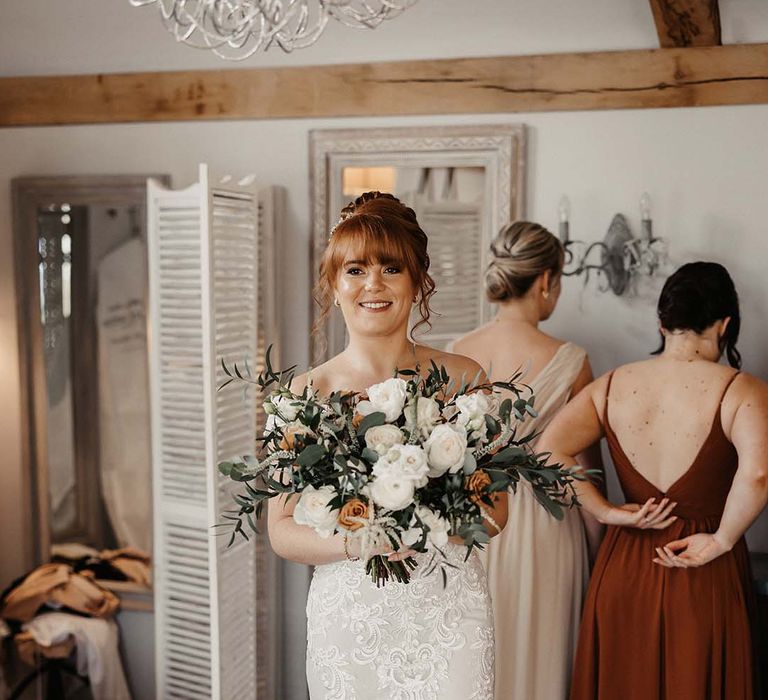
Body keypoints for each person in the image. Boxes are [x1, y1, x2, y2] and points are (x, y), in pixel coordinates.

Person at [267, 191, 507, 700]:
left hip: (450, 612)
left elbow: (495, 512)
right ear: (334, 285)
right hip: (351, 618)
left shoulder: (465, 380)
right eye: (355, 270)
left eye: (391, 268)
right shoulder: (304, 396)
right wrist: (359, 543)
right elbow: (282, 532)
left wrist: (430, 525)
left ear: (417, 281)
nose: (372, 284)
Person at [539, 261, 768, 700]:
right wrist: (721, 540)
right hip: (703, 566)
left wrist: (606, 511)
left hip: (625, 561)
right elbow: (757, 474)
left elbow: (548, 449)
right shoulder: (743, 391)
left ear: (662, 324)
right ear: (724, 325)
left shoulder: (611, 385)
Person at [451, 220, 604, 700]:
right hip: (548, 524)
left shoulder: (456, 352)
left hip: (474, 524)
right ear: (544, 281)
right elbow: (583, 470)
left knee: (476, 655)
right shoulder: (572, 360)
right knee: (543, 652)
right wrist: (599, 552)